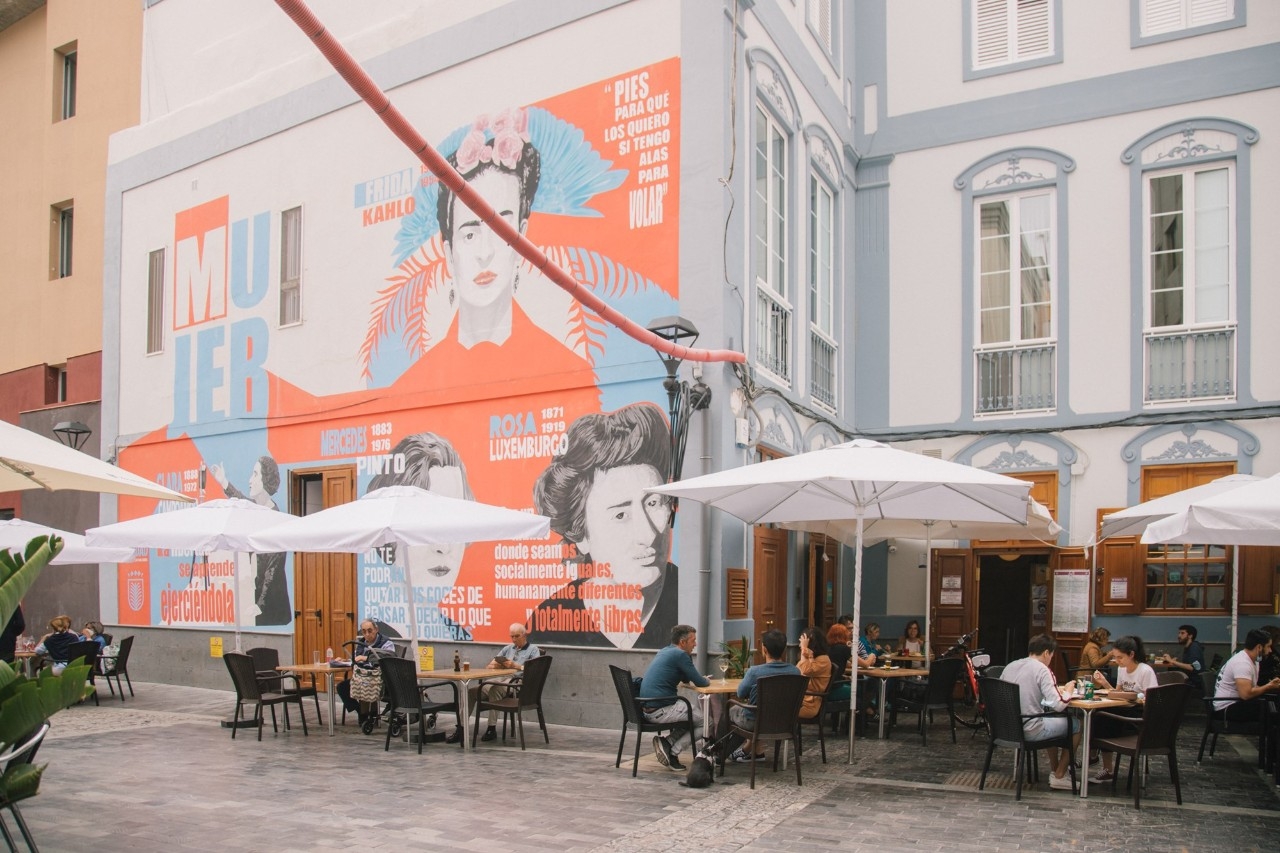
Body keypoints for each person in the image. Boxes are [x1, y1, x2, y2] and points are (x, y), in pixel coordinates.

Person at [529, 405, 676, 650]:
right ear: (581, 534)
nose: (648, 534)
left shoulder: (689, 599)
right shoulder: (550, 619)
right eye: (621, 514)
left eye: (653, 503)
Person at [367, 432, 474, 642]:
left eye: (455, 524)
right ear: (389, 536)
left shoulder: (460, 636)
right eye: (425, 525)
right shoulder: (377, 637)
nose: (443, 546)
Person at [211, 455, 290, 625]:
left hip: (271, 603)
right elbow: (242, 501)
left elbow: (273, 568)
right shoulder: (257, 510)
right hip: (258, 600)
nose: (250, 480)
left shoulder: (274, 517)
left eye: (255, 474)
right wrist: (224, 482)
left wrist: (260, 604)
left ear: (265, 479)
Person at [1000, 634, 1080, 791]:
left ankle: (1055, 770)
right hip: (1029, 730)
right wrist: (1069, 691)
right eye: (1051, 655)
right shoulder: (1043, 670)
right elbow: (1059, 705)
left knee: (1050, 719)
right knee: (1076, 725)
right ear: (1046, 653)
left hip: (1006, 728)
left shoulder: (1010, 666)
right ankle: (1059, 775)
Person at [454, 623, 542, 744]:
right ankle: (461, 728)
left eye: (517, 636)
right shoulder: (507, 649)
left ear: (524, 635)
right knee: (472, 692)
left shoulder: (533, 650)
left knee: (495, 690)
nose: (514, 639)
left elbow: (535, 670)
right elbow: (489, 666)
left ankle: (491, 728)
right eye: (512, 636)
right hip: (500, 678)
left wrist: (515, 666)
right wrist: (500, 664)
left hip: (517, 682)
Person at [639, 625, 709, 771]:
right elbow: (700, 682)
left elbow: (684, 679)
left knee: (691, 718)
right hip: (661, 710)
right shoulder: (680, 655)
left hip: (649, 709)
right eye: (693, 641)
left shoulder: (666, 651)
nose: (695, 644)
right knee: (706, 723)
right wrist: (707, 680)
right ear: (683, 642)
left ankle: (667, 742)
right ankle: (672, 751)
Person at [1090, 635, 1158, 783]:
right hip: (1123, 710)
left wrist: (1138, 698)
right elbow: (1118, 692)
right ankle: (1098, 759)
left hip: (1139, 715)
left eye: (1120, 657)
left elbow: (1154, 700)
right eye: (1115, 657)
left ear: (1131, 654)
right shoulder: (1122, 669)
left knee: (1102, 719)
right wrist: (1105, 683)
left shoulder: (1145, 671)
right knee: (1099, 716)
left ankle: (1097, 758)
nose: (1117, 661)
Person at [728, 629, 801, 763]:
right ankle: (755, 752)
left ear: (764, 649)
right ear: (784, 649)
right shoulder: (795, 672)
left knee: (731, 711)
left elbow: (740, 693)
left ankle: (720, 753)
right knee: (753, 712)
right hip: (785, 722)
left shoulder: (755, 671)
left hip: (756, 722)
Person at [1212, 628, 1280, 723]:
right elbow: (1246, 695)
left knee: (1274, 702)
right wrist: (1268, 686)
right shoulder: (1242, 663)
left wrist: (1273, 687)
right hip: (1226, 708)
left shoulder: (1254, 660)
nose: (1270, 651)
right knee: (1271, 710)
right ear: (1259, 647)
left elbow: (1253, 688)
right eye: (1268, 646)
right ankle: (1272, 736)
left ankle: (1272, 736)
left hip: (1237, 703)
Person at [337, 620, 396, 723]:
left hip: (379, 679)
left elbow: (389, 657)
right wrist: (344, 660)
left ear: (376, 630)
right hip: (362, 678)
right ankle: (360, 710)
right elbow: (355, 658)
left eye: (370, 631)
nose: (367, 634)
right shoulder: (361, 644)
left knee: (364, 685)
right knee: (342, 687)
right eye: (364, 632)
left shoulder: (386, 642)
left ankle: (367, 716)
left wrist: (366, 658)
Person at [797, 627, 833, 721]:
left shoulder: (823, 660)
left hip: (809, 704)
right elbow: (798, 671)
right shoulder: (811, 658)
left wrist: (804, 650)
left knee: (778, 711)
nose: (800, 645)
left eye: (802, 642)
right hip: (800, 699)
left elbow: (805, 671)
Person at [1160, 624, 1206, 693]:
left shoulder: (1194, 648)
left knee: (1162, 680)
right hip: (1188, 679)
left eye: (1182, 633)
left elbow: (1192, 667)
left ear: (1190, 636)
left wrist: (1172, 661)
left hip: (1193, 683)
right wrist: (1173, 661)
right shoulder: (1188, 646)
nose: (1179, 636)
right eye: (1179, 633)